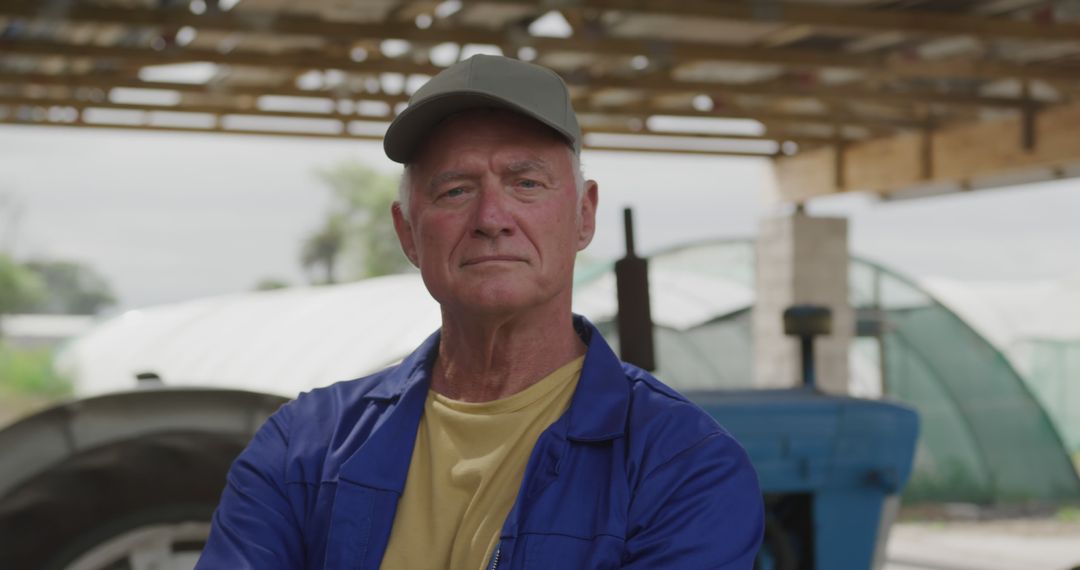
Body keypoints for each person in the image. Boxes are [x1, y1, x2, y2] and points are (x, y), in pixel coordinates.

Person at [197, 54, 763, 569]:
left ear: (584, 216)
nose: (493, 216)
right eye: (455, 191)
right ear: (408, 233)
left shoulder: (684, 466)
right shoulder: (301, 449)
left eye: (526, 183)